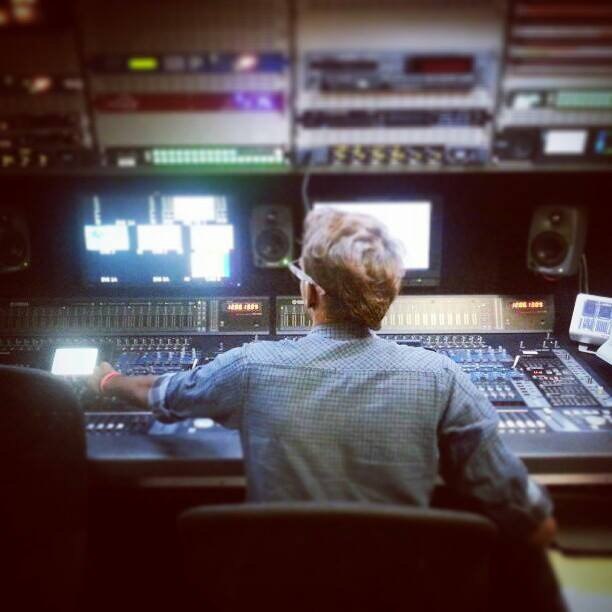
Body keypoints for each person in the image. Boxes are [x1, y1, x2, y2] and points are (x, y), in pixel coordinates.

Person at [90, 208, 564, 608]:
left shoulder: (251, 365)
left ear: (312, 292)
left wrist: (109, 380)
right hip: (397, 593)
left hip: (275, 593)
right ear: (388, 295)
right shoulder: (441, 376)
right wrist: (537, 519)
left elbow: (164, 395)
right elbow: (519, 507)